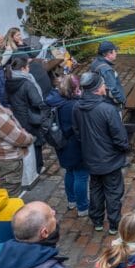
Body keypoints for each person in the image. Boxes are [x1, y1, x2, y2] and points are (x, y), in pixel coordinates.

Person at [73, 71, 130, 234]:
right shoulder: (107, 109)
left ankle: (97, 221)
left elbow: (77, 132)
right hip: (110, 160)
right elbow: (120, 136)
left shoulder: (78, 107)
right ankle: (114, 224)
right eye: (103, 84)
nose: (106, 86)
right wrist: (124, 149)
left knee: (96, 189)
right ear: (98, 89)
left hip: (90, 158)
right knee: (113, 192)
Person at [45, 74, 88, 216]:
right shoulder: (73, 105)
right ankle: (83, 207)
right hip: (74, 144)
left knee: (70, 172)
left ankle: (72, 200)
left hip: (61, 143)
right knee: (81, 175)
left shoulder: (57, 101)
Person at [5, 55, 49, 174]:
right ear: (24, 68)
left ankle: (27, 168)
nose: (29, 68)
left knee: (24, 141)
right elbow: (37, 101)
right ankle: (38, 168)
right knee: (37, 142)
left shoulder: (9, 80)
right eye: (28, 66)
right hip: (31, 116)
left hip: (17, 116)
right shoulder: (26, 83)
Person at [90, 41, 127, 107]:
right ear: (109, 54)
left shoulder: (95, 62)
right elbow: (113, 91)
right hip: (110, 105)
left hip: (99, 101)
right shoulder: (107, 70)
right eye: (115, 51)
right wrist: (122, 100)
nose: (116, 53)